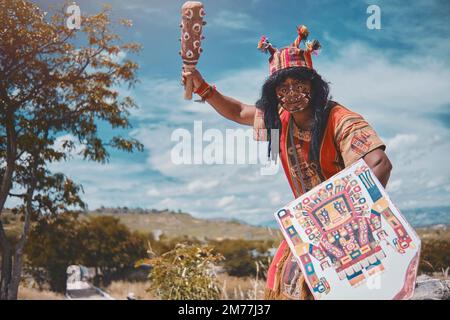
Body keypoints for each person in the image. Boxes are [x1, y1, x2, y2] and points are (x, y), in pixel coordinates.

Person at [181, 25, 392, 300]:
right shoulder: (279, 120)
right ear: (274, 92)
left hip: (353, 230)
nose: (291, 92)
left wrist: (341, 224)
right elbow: (238, 111)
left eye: (299, 83)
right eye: (283, 86)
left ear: (315, 86)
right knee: (284, 282)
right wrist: (203, 87)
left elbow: (379, 164)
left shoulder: (342, 120)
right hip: (306, 229)